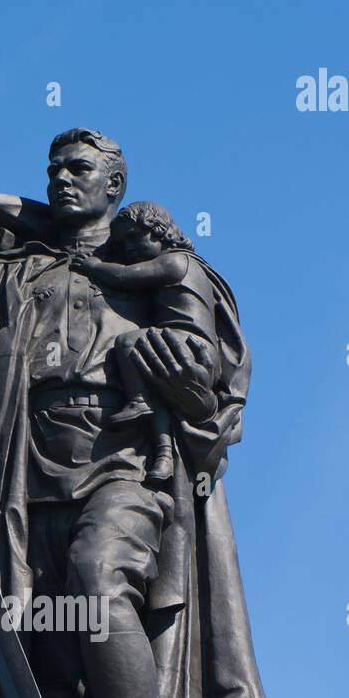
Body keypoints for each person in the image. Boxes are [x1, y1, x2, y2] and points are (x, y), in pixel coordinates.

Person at [0, 129, 272, 698]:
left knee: (98, 575)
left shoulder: (155, 264)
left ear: (114, 184)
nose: (61, 180)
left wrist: (184, 380)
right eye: (53, 170)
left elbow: (212, 382)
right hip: (21, 465)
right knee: (36, 627)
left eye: (79, 169)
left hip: (126, 457)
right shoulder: (2, 277)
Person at [70, 200, 218, 485]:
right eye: (123, 243)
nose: (128, 249)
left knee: (127, 343)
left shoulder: (175, 261)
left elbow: (126, 277)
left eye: (134, 238)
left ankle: (138, 399)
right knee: (158, 394)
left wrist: (94, 266)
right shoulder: (181, 263)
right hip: (179, 345)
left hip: (189, 344)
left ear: (159, 231)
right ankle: (163, 456)